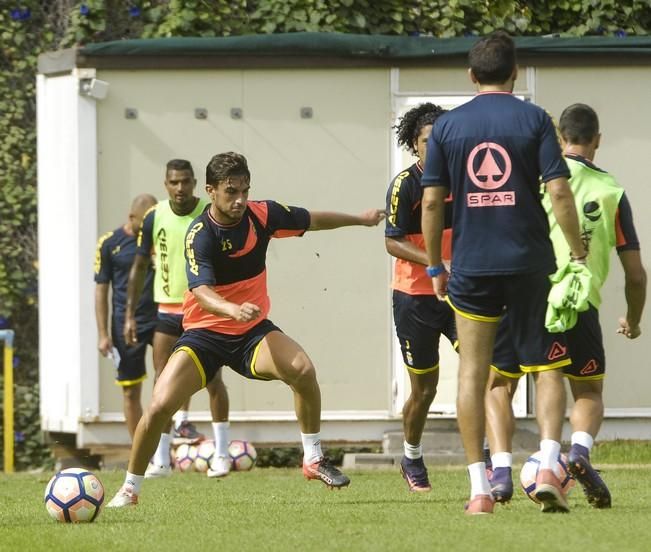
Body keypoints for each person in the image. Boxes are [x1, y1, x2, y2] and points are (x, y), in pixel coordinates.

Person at [107, 151, 385, 507]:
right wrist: (231, 308)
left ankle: (313, 458)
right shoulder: (200, 234)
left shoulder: (262, 214)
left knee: (302, 369)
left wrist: (359, 220)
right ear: (210, 191)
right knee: (160, 405)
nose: (240, 200)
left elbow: (311, 220)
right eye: (230, 191)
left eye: (244, 190)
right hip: (204, 335)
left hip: (251, 332)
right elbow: (201, 292)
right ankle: (130, 488)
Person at [420, 31, 588, 515]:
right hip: (530, 262)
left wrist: (435, 265)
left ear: (472, 76)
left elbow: (432, 201)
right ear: (515, 73)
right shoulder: (535, 119)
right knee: (548, 364)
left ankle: (479, 490)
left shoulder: (448, 127)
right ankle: (551, 465)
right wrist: (576, 248)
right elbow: (559, 193)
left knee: (473, 374)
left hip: (472, 266)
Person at [485, 103, 647, 508]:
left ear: (560, 139)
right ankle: (579, 451)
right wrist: (634, 318)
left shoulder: (537, 179)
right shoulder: (612, 191)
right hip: (581, 299)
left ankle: (505, 473)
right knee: (589, 387)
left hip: (526, 292)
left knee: (505, 384)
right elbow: (637, 274)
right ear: (597, 141)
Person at [124, 159, 231, 478]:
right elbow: (140, 265)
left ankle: (222, 454)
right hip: (167, 311)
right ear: (165, 184)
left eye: (185, 181)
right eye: (174, 182)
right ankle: (162, 460)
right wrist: (129, 315)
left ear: (195, 183)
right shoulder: (154, 215)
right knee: (161, 382)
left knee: (213, 380)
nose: (180, 188)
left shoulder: (209, 212)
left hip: (203, 310)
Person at [385, 103, 456, 492]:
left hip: (460, 293)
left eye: (441, 139)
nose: (435, 146)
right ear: (415, 144)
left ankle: (493, 461)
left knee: (493, 369)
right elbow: (392, 242)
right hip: (415, 297)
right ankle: (411, 456)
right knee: (425, 389)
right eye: (428, 140)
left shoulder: (464, 178)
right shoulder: (405, 185)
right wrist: (436, 262)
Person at [94, 194, 158, 439]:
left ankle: (165, 447)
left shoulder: (158, 238)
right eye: (144, 222)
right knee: (131, 391)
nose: (148, 228)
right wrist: (102, 334)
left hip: (161, 319)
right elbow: (101, 288)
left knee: (168, 386)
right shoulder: (110, 243)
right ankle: (139, 451)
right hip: (125, 323)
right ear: (132, 217)